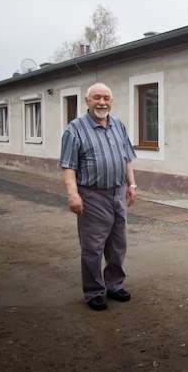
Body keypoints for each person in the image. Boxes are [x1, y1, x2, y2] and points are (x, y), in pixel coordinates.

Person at [58, 82, 137, 311]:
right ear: (87, 102)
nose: (102, 102)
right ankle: (94, 291)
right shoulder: (75, 129)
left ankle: (114, 284)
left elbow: (126, 158)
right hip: (92, 195)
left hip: (118, 193)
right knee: (93, 246)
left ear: (111, 102)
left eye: (106, 98)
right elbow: (68, 166)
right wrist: (73, 194)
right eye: (97, 98)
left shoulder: (118, 126)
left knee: (118, 244)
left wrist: (131, 184)